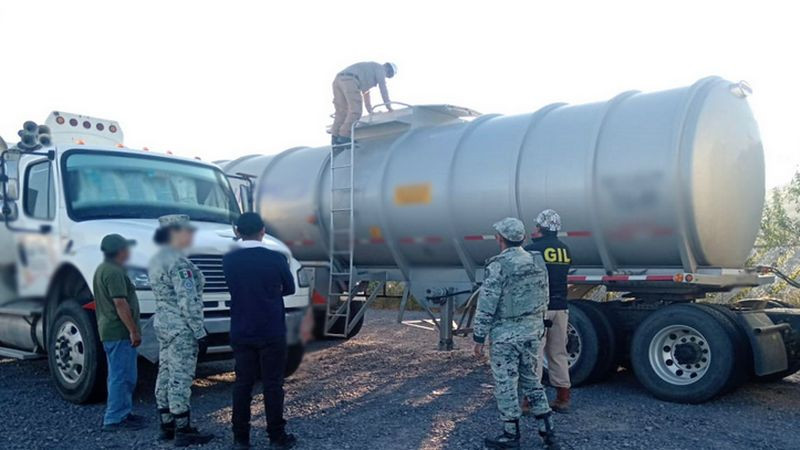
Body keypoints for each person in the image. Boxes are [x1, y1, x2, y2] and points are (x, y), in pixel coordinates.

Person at [473, 217, 560, 449]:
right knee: (532, 381)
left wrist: (479, 337)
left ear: (500, 238)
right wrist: (539, 325)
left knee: (506, 384)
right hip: (532, 332)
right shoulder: (536, 261)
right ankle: (548, 432)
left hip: (506, 336)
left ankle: (511, 435)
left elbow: (487, 304)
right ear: (521, 237)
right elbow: (545, 295)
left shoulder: (498, 265)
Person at [222, 213, 298, 449]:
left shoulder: (229, 260)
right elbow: (289, 288)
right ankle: (277, 436)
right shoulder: (275, 258)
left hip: (242, 328)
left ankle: (240, 438)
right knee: (273, 384)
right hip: (271, 328)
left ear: (237, 231)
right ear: (263, 230)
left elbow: (232, 286)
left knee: (243, 384)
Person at [148, 214, 215, 447]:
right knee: (180, 376)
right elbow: (188, 301)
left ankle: (166, 424)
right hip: (181, 326)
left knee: (165, 372)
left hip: (164, 324)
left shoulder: (157, 259)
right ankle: (183, 429)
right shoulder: (178, 263)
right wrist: (199, 331)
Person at [93, 234, 146, 432]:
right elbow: (120, 303)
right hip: (119, 331)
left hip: (110, 330)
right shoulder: (114, 272)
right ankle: (115, 418)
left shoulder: (102, 269)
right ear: (120, 251)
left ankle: (123, 412)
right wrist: (133, 330)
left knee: (121, 374)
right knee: (121, 376)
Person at [525, 209, 573, 413]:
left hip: (539, 309)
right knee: (558, 353)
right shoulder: (565, 250)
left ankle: (529, 402)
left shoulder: (532, 250)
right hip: (561, 308)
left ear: (541, 227)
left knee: (534, 355)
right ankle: (563, 399)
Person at [331, 61, 397, 146]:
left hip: (338, 80)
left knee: (341, 112)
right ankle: (344, 136)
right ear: (388, 69)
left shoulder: (369, 70)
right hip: (351, 80)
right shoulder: (380, 69)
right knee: (356, 111)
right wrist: (388, 106)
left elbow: (366, 93)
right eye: (389, 74)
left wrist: (370, 110)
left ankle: (335, 137)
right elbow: (383, 88)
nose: (386, 76)